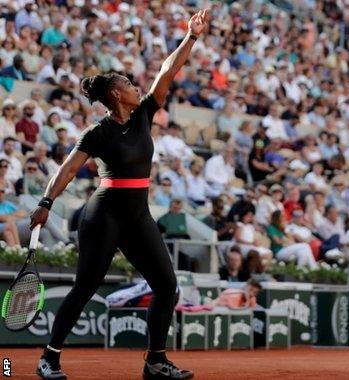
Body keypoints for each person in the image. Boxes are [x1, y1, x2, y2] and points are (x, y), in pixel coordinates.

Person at [29, 9, 210, 380]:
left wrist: (191, 37)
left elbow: (167, 71)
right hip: (104, 215)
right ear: (116, 94)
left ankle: (155, 361)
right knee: (84, 288)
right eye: (129, 84)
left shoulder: (145, 113)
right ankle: (49, 358)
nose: (136, 87)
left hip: (137, 215)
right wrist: (45, 203)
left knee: (166, 285)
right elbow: (67, 169)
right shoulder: (97, 132)